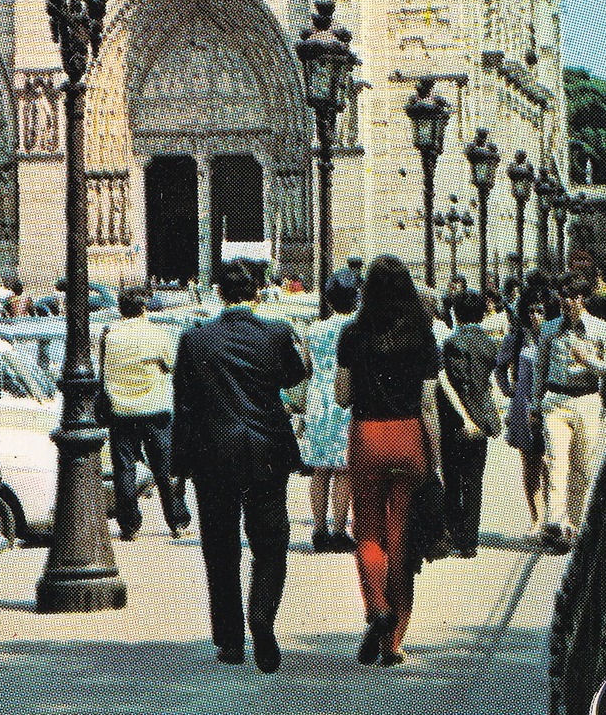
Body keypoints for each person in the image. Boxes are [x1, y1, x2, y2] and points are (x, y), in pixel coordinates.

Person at [173, 259, 308, 673]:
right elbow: (296, 375)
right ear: (255, 294)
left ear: (218, 294)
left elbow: (184, 403)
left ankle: (230, 640)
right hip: (265, 452)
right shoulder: (276, 334)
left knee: (220, 549)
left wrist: (177, 472)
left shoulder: (195, 340)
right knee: (271, 543)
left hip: (213, 456)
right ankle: (262, 615)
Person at [336, 254, 442, 668]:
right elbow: (430, 405)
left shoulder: (352, 334)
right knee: (402, 538)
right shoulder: (423, 335)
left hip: (367, 435)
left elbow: (343, 396)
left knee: (367, 531)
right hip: (409, 434)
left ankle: (376, 608)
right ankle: (394, 642)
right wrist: (435, 458)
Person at [532, 273, 606, 551]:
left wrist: (589, 360)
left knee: (582, 467)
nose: (566, 302)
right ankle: (556, 524)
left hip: (587, 401)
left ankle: (575, 524)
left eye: (571, 297)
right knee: (556, 462)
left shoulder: (599, 328)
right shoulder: (549, 329)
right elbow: (539, 370)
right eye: (562, 296)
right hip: (556, 401)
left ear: (582, 299)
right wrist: (536, 403)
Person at [101, 286, 190, 540]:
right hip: (155, 410)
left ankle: (129, 525)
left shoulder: (110, 335)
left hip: (121, 411)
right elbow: (173, 364)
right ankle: (176, 520)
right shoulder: (157, 334)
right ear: (143, 308)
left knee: (124, 469)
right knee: (164, 469)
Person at [438, 290, 501, 558]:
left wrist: (464, 416)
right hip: (483, 417)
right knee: (474, 480)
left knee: (453, 478)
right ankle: (470, 540)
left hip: (456, 419)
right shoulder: (489, 343)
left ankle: (455, 532)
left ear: (456, 314)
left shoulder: (453, 343)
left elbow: (456, 383)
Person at [302, 268, 359, 553]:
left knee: (319, 469)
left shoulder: (312, 330)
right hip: (346, 399)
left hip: (318, 400)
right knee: (344, 468)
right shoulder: (358, 329)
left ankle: (318, 529)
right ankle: (339, 529)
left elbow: (307, 368)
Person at [496, 293, 551, 534]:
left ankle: (552, 514)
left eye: (540, 311)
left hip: (549, 405)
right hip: (523, 405)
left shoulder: (554, 335)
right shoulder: (517, 339)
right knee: (529, 463)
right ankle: (536, 517)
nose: (535, 316)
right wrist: (509, 391)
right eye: (531, 312)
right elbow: (499, 367)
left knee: (552, 462)